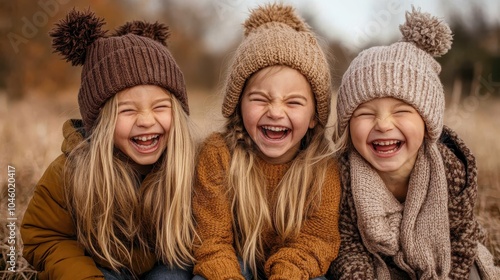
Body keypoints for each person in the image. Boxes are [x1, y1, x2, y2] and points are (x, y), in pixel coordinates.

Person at [20, 9, 196, 279]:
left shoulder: (191, 164)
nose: (147, 120)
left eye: (160, 107)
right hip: (104, 267)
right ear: (99, 122)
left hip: (168, 264)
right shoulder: (70, 172)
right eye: (127, 111)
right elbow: (45, 237)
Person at [328, 7, 500, 280]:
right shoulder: (343, 175)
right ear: (347, 126)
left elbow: (460, 236)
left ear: (427, 122)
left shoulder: (450, 170)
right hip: (375, 262)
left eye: (401, 112)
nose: (383, 124)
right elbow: (346, 245)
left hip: (440, 255)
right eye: (365, 113)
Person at [191, 3, 341, 280]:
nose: (275, 111)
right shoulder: (218, 155)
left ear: (313, 117)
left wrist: (287, 274)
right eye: (260, 99)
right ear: (238, 105)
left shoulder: (322, 168)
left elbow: (316, 240)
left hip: (296, 269)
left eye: (293, 102)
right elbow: (211, 240)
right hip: (233, 263)